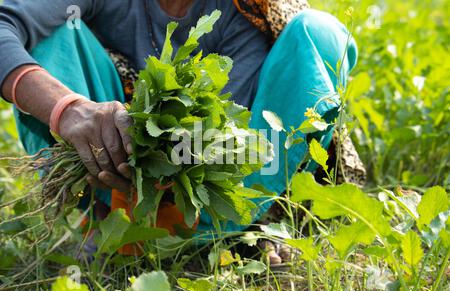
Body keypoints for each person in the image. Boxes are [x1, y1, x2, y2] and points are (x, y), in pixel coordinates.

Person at [0, 0, 357, 264]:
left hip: (211, 192)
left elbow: (216, 140)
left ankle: (232, 233)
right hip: (105, 179)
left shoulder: (246, 11)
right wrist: (68, 108)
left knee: (317, 33)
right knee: (53, 32)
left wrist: (162, 155)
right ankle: (101, 230)